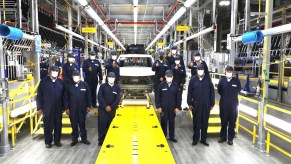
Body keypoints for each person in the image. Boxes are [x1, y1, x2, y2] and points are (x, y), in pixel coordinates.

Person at [36, 66, 65, 148]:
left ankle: (57, 141)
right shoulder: (43, 82)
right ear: (49, 72)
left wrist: (64, 107)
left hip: (58, 107)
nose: (55, 72)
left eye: (57, 71)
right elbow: (39, 96)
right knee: (48, 125)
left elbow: (64, 96)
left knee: (58, 124)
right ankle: (48, 142)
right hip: (47, 107)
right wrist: (39, 108)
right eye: (53, 71)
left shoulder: (60, 82)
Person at [187, 64, 215, 146]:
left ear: (204, 70)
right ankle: (195, 139)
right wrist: (189, 103)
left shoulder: (208, 79)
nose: (200, 70)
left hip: (206, 105)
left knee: (205, 123)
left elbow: (212, 92)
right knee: (196, 122)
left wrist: (212, 103)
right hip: (196, 105)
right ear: (196, 70)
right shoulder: (193, 80)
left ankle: (203, 139)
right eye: (199, 69)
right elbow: (190, 92)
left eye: (201, 69)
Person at [64, 70, 91, 146]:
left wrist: (89, 106)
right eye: (74, 76)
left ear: (79, 76)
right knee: (74, 125)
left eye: (77, 75)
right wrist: (66, 108)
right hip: (72, 109)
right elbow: (65, 97)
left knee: (82, 124)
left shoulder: (84, 85)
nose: (76, 77)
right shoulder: (69, 86)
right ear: (72, 77)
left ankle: (84, 139)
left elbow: (88, 96)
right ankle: (74, 139)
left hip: (82, 109)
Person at [217, 66, 241, 145]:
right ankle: (223, 136)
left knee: (232, 122)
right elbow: (219, 90)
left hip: (233, 105)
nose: (229, 73)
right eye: (228, 71)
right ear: (225, 72)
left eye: (230, 71)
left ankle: (230, 138)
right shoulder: (222, 81)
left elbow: (238, 90)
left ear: (232, 72)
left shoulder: (236, 81)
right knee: (223, 121)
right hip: (224, 104)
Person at [156, 70, 182, 142]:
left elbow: (178, 97)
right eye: (168, 76)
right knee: (163, 122)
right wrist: (159, 107)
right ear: (165, 76)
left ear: (173, 77)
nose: (169, 77)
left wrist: (178, 107)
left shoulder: (175, 85)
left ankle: (172, 136)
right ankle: (163, 136)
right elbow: (158, 96)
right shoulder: (161, 85)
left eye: (171, 76)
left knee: (172, 122)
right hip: (163, 108)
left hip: (172, 108)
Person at [97, 72, 121, 146]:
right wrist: (105, 106)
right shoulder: (103, 86)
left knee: (111, 125)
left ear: (115, 78)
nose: (111, 79)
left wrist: (111, 107)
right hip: (103, 109)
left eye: (112, 77)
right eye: (110, 77)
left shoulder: (117, 88)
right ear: (107, 78)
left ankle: (111, 139)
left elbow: (117, 99)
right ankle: (101, 140)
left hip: (112, 110)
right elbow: (100, 97)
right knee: (102, 124)